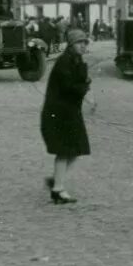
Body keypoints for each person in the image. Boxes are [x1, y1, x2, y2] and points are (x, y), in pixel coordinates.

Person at [40, 28, 92, 205]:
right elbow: (71, 87)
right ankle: (57, 190)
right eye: (80, 43)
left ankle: (56, 180)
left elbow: (79, 84)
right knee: (65, 151)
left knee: (75, 149)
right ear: (71, 44)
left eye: (85, 42)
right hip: (58, 114)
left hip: (68, 112)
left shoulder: (75, 60)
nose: (83, 46)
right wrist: (85, 86)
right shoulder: (64, 62)